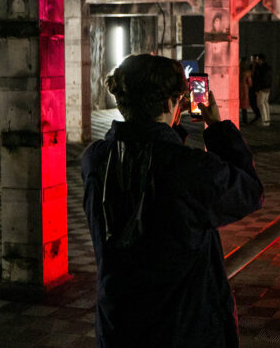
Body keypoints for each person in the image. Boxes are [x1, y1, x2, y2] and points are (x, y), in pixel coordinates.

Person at [81, 54, 263, 348]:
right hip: (184, 330)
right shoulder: (192, 169)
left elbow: (148, 157)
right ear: (170, 104)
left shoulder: (96, 159)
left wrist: (170, 131)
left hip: (118, 326)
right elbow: (250, 193)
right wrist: (216, 127)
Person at [254, 54, 273, 127]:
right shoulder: (268, 67)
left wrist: (257, 89)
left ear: (261, 60)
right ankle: (267, 119)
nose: (257, 61)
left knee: (261, 104)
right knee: (265, 103)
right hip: (267, 88)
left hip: (262, 88)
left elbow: (259, 79)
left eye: (258, 59)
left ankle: (264, 121)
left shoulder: (260, 68)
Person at [239, 57, 253, 124]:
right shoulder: (247, 72)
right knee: (244, 106)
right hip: (245, 90)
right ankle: (245, 120)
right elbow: (250, 83)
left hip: (237, 89)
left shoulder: (238, 70)